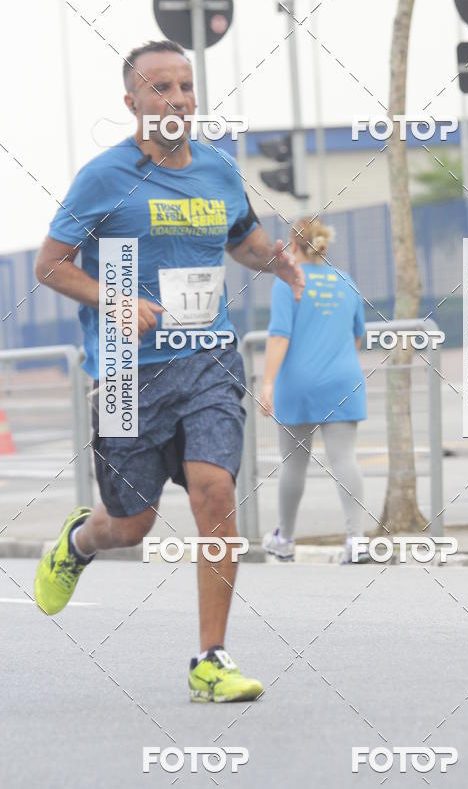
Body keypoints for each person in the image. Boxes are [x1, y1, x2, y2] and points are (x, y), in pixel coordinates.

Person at [32, 39, 304, 703]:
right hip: (127, 373)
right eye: (161, 88)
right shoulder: (103, 177)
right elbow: (50, 265)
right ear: (133, 102)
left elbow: (242, 240)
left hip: (208, 359)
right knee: (132, 525)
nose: (178, 98)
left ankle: (211, 659)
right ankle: (80, 540)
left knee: (216, 495)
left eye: (185, 86)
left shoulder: (217, 169)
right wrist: (114, 299)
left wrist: (280, 258)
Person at [258, 217, 368, 564]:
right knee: (345, 459)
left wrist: (267, 383)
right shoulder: (346, 282)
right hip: (343, 380)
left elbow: (279, 335)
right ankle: (357, 540)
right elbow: (357, 336)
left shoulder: (288, 283)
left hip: (298, 384)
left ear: (293, 244)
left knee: (293, 465)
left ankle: (285, 538)